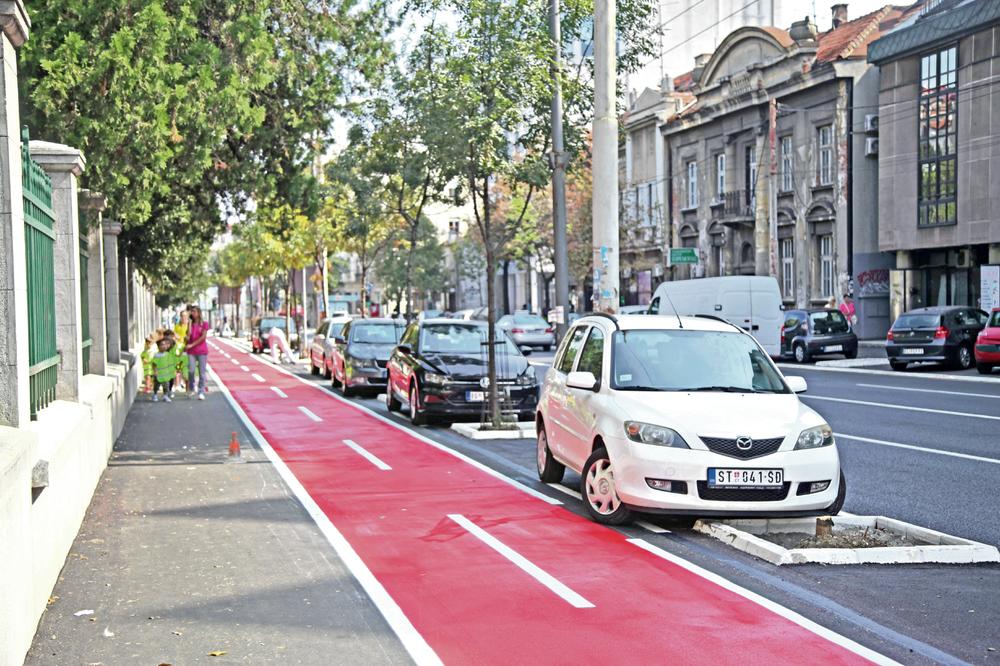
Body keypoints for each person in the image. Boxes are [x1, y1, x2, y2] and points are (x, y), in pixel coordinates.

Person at [185, 305, 211, 400]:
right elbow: (188, 337)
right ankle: (191, 389)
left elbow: (203, 337)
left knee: (201, 372)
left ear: (199, 313)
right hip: (191, 351)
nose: (192, 313)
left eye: (194, 311)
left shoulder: (204, 324)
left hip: (201, 351)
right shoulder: (190, 324)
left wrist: (192, 345)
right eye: (191, 312)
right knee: (191, 370)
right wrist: (189, 325)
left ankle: (201, 391)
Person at [150, 337, 180, 402]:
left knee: (166, 385)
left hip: (166, 374)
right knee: (156, 385)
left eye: (165, 344)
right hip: (158, 374)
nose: (164, 346)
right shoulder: (157, 355)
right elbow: (154, 364)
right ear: (158, 347)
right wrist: (155, 371)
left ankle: (165, 396)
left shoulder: (167, 354)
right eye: (162, 345)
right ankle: (155, 394)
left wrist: (173, 370)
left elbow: (170, 363)